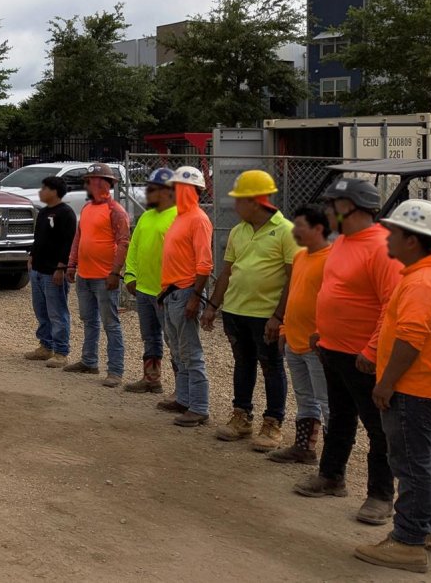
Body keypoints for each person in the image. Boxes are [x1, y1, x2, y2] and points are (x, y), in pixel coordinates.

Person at [294, 178, 398, 526]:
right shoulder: (342, 243)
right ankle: (332, 476)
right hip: (333, 349)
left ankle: (381, 495)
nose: (327, 211)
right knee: (339, 416)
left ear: (353, 207)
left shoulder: (383, 247)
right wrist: (322, 332)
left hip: (363, 358)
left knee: (378, 428)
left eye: (333, 204)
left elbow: (391, 307)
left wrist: (371, 350)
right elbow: (335, 290)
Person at [353, 199, 431, 574]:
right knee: (430, 460)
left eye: (394, 232)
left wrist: (386, 383)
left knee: (410, 464)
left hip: (413, 387)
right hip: (426, 386)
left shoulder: (421, 281)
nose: (386, 238)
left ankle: (407, 541)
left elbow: (411, 337)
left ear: (412, 240)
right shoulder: (427, 274)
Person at [202, 170, 298, 451]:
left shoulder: (286, 232)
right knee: (243, 364)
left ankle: (273, 423)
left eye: (240, 200)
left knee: (271, 367)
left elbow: (293, 278)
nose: (235, 206)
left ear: (256, 201)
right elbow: (227, 272)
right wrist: (213, 306)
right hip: (235, 311)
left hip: (265, 316)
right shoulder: (237, 231)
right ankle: (241, 416)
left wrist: (279, 316)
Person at [268, 204, 332, 464]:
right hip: (295, 341)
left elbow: (335, 302)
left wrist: (322, 333)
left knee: (327, 403)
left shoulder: (331, 258)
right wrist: (283, 327)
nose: (294, 230)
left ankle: (332, 461)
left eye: (300, 226)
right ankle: (304, 448)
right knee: (305, 398)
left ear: (318, 229)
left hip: (317, 345)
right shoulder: (300, 256)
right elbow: (293, 295)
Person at [64, 163, 132, 386]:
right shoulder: (87, 209)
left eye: (91, 180)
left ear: (104, 183)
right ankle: (89, 361)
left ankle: (115, 370)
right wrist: (72, 265)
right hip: (85, 275)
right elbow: (78, 238)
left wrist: (115, 272)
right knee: (89, 320)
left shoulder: (116, 211)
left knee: (110, 323)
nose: (87, 184)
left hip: (104, 277)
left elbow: (123, 243)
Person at [159, 166, 214, 427]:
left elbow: (205, 264)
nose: (174, 192)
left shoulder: (198, 220)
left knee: (191, 351)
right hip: (172, 292)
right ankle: (183, 398)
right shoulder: (180, 218)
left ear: (192, 191)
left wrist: (195, 297)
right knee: (178, 350)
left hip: (184, 292)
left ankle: (199, 406)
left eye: (178, 188)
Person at [120, 168, 178, 390]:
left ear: (167, 191)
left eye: (152, 188)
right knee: (150, 337)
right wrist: (130, 274)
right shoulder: (146, 216)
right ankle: (152, 379)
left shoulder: (178, 217)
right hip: (144, 289)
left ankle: (182, 390)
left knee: (173, 341)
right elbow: (134, 247)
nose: (147, 192)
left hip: (166, 292)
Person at [25, 176, 78, 366]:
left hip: (53, 270)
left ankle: (61, 351)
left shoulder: (66, 213)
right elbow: (38, 237)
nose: (41, 191)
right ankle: (45, 345)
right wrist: (32, 256)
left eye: (44, 188)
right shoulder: (43, 212)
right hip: (38, 268)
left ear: (55, 191)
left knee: (57, 311)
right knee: (41, 309)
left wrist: (62, 266)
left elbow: (68, 242)